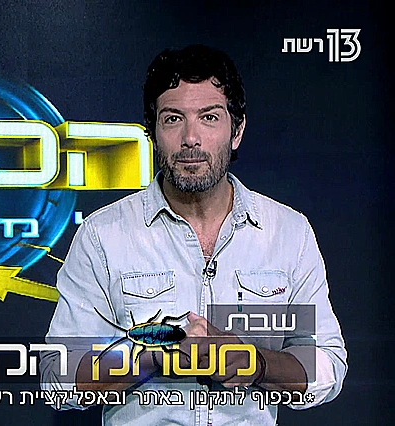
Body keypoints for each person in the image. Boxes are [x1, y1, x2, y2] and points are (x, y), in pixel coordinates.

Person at [40, 44, 347, 425]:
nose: (190, 138)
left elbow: (326, 365)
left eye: (209, 118)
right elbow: (58, 378)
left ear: (237, 131)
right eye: (173, 119)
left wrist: (254, 363)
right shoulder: (103, 235)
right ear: (153, 133)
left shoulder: (288, 232)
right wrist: (151, 358)